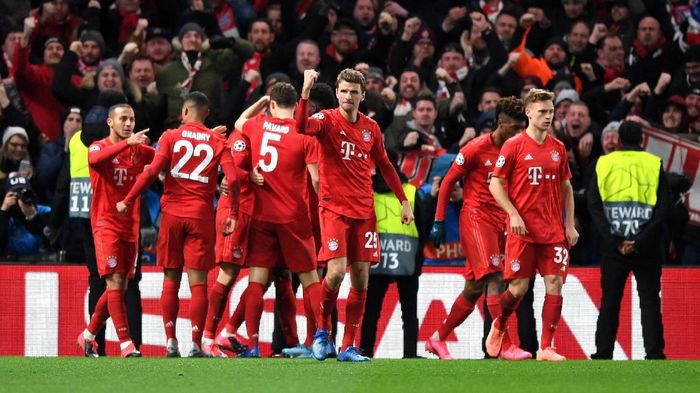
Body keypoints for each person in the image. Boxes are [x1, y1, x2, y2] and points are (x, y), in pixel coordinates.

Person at [296, 68, 414, 362]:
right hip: (334, 208)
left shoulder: (371, 128)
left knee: (361, 280)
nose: (348, 96)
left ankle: (349, 346)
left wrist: (404, 201)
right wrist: (306, 92)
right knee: (335, 273)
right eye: (344, 91)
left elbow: (385, 166)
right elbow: (301, 126)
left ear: (362, 96)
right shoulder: (326, 120)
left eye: (354, 92)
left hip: (364, 211)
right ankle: (322, 333)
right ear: (337, 93)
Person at [117, 92, 238, 358]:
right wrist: (234, 212)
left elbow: (151, 171)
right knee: (199, 284)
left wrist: (127, 199)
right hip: (201, 216)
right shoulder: (218, 140)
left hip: (171, 215)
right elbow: (233, 178)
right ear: (206, 114)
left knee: (170, 280)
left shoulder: (170, 136)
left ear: (184, 111)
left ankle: (170, 341)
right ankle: (196, 343)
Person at [426, 96, 531, 361]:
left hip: (500, 222)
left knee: (473, 289)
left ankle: (437, 339)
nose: (519, 133)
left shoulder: (517, 151)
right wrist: (439, 220)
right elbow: (449, 181)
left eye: (522, 128)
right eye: (515, 128)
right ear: (500, 123)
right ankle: (504, 343)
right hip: (475, 217)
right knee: (495, 277)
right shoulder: (476, 148)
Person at [232, 83, 324, 358]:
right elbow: (317, 179)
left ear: (272, 104)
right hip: (293, 216)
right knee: (310, 278)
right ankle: (320, 339)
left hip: (262, 214)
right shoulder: (303, 134)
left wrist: (260, 103)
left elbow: (239, 122)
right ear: (296, 106)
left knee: (257, 280)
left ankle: (252, 344)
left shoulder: (257, 127)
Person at [487, 88, 579, 362]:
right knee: (518, 289)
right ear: (528, 113)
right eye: (542, 112)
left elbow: (567, 188)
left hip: (552, 231)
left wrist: (569, 224)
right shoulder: (513, 146)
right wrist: (513, 214)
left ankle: (546, 347)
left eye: (550, 111)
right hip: (522, 231)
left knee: (555, 283)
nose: (548, 116)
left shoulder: (558, 148)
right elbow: (495, 184)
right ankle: (500, 324)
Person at [76, 103, 153, 358]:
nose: (128, 123)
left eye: (131, 119)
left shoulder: (139, 151)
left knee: (118, 286)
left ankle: (88, 335)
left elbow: (164, 158)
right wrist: (129, 143)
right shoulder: (99, 146)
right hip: (105, 224)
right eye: (123, 119)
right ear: (110, 122)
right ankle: (126, 343)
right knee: (114, 282)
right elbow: (95, 159)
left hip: (130, 227)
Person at [588, 120, 668, 360]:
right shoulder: (654, 164)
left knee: (610, 301)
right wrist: (641, 240)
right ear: (642, 139)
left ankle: (603, 352)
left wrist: (615, 241)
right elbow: (662, 207)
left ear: (619, 140)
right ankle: (654, 353)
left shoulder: (603, 163)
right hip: (647, 246)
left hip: (614, 246)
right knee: (650, 301)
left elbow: (594, 206)